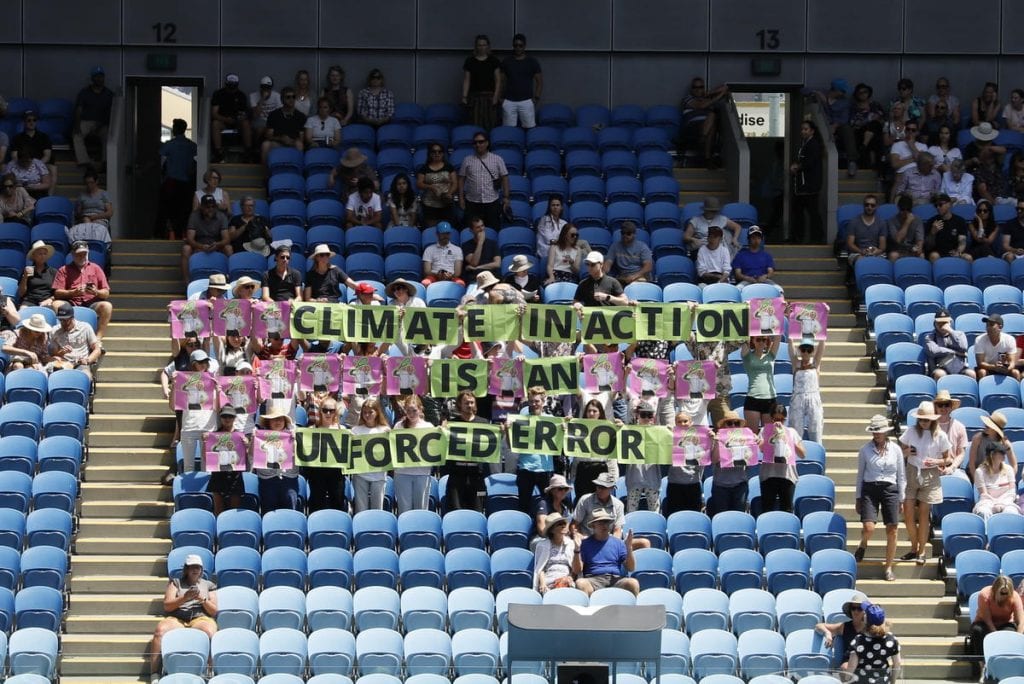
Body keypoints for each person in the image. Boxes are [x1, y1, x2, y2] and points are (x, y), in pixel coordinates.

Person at [148, 553, 218, 684]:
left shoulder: (209, 585)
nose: (195, 570)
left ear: (202, 570)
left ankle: (210, 671)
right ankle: (154, 673)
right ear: (186, 569)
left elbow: (214, 611)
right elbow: (167, 606)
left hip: (200, 618)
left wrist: (202, 600)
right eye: (192, 567)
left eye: (197, 567)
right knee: (160, 631)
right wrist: (184, 598)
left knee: (210, 632)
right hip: (177, 617)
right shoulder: (176, 583)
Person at [899, 401, 952, 565]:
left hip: (930, 475)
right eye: (921, 419)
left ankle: (921, 550)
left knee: (923, 515)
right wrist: (907, 452)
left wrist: (936, 461)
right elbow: (900, 451)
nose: (923, 422)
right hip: (912, 471)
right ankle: (914, 547)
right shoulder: (911, 431)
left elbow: (948, 459)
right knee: (907, 512)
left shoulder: (940, 435)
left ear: (932, 420)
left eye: (926, 420)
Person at [853, 415, 905, 582]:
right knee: (869, 527)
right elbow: (860, 474)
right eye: (874, 431)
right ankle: (863, 543)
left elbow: (901, 474)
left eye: (879, 431)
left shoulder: (896, 449)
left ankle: (888, 566)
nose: (876, 434)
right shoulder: (865, 450)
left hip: (890, 488)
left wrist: (902, 498)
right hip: (870, 488)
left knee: (892, 529)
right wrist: (858, 497)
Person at [53, 241, 112, 339]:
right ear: (72, 254)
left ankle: (98, 338)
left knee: (107, 306)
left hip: (91, 302)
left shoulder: (96, 268)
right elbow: (57, 293)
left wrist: (96, 292)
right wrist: (72, 292)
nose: (82, 256)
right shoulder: (64, 270)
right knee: (56, 304)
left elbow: (106, 293)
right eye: (79, 254)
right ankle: (62, 335)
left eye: (84, 254)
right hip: (71, 303)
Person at [442, 391, 490, 512]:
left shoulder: (484, 423)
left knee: (477, 511)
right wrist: (442, 432)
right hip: (456, 476)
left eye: (472, 402)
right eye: (466, 403)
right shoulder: (452, 424)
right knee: (455, 511)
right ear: (459, 405)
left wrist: (502, 433)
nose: (469, 405)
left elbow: (492, 446)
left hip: (477, 477)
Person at [572, 510, 639, 596]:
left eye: (607, 522)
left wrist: (629, 548)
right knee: (580, 583)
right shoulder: (585, 544)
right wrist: (577, 549)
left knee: (633, 583)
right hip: (593, 580)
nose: (605, 525)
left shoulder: (618, 543)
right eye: (601, 523)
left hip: (615, 580)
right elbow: (577, 570)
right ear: (593, 526)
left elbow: (631, 568)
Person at [967, 575, 1024, 671]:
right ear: (995, 590)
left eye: (1007, 593)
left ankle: (1006, 663)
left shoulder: (1014, 596)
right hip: (984, 622)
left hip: (1005, 623)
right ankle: (983, 666)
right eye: (1002, 593)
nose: (1005, 596)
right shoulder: (984, 594)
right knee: (978, 631)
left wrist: (1017, 638)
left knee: (1010, 633)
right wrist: (996, 636)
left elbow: (1021, 621)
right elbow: (987, 620)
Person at [513, 387, 556, 513]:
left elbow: (559, 445)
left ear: (543, 402)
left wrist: (563, 430)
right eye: (531, 401)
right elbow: (512, 446)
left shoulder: (551, 419)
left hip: (545, 469)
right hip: (525, 468)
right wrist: (507, 430)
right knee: (523, 506)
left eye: (537, 401)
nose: (533, 404)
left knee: (549, 505)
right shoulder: (521, 418)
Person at [302, 397, 346, 513]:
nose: (327, 413)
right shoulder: (311, 429)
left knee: (337, 501)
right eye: (325, 410)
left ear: (335, 412)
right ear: (320, 411)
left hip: (336, 473)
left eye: (331, 410)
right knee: (316, 502)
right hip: (317, 472)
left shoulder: (343, 430)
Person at [458, 131, 509, 231]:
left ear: (487, 143)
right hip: (472, 202)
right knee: (471, 231)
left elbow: (505, 178)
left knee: (492, 230)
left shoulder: (497, 159)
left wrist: (506, 197)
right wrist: (461, 198)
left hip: (492, 202)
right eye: (475, 142)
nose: (478, 145)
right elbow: (461, 179)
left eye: (481, 142)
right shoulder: (467, 160)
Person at [255, 409, 300, 513]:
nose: (277, 422)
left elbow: (299, 458)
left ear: (285, 422)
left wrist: (295, 442)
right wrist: (254, 440)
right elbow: (253, 458)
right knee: (268, 511)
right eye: (274, 419)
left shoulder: (292, 436)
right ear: (268, 422)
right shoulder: (260, 438)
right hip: (267, 480)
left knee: (290, 512)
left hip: (289, 479)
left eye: (280, 419)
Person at [159, 119, 197, 239]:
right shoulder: (192, 146)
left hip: (172, 182)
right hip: (187, 183)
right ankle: (185, 234)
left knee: (170, 210)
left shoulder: (169, 145)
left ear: (176, 129)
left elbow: (161, 162)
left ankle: (173, 235)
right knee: (185, 210)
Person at [393, 395, 432, 513]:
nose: (411, 414)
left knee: (421, 509)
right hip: (402, 473)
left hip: (422, 473)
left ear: (420, 409)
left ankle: (420, 531)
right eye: (408, 410)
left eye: (414, 410)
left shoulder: (428, 427)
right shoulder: (399, 426)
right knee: (404, 509)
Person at [847, 603, 902, 684]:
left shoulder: (858, 640)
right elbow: (897, 664)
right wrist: (893, 681)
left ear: (866, 620)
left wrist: (846, 679)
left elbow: (851, 667)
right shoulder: (891, 639)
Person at [710, 410, 752, 515]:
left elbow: (750, 461)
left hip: (740, 485)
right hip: (720, 486)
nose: (733, 425)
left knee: (738, 517)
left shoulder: (746, 439)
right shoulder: (716, 439)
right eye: (729, 423)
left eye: (736, 423)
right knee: (722, 517)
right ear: (723, 425)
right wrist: (717, 442)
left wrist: (753, 444)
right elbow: (714, 460)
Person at [680, 78, 729, 167]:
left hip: (706, 129)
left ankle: (706, 156)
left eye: (701, 87)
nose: (698, 89)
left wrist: (709, 93)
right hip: (692, 127)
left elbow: (725, 87)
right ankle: (705, 148)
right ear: (691, 89)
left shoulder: (707, 98)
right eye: (695, 87)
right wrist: (720, 95)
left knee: (712, 123)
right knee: (712, 116)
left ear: (704, 88)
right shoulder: (687, 99)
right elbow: (701, 106)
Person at [814, 590, 870, 669]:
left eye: (859, 608)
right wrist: (827, 633)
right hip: (849, 664)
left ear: (865, 611)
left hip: (868, 662)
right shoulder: (844, 626)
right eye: (853, 608)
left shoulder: (871, 628)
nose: (856, 611)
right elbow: (818, 626)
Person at [181, 194, 231, 281]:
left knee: (228, 248)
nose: (210, 209)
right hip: (198, 245)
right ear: (201, 207)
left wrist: (217, 244)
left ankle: (229, 280)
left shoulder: (221, 216)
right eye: (207, 207)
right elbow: (190, 238)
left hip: (216, 245)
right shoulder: (194, 216)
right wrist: (200, 246)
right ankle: (187, 282)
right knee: (186, 249)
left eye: (213, 206)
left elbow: (226, 239)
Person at [73, 66, 114, 167]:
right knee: (76, 135)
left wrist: (100, 125)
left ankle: (106, 161)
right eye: (96, 76)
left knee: (108, 135)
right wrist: (77, 126)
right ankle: (84, 161)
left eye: (101, 76)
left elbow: (111, 113)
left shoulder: (109, 94)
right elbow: (78, 110)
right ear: (92, 78)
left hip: (102, 123)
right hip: (86, 121)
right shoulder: (84, 92)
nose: (99, 79)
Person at [208, 406, 246, 516]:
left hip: (235, 476)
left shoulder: (241, 436)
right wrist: (206, 443)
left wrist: (247, 445)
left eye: (230, 416)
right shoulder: (213, 436)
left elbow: (247, 458)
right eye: (224, 416)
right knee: (218, 510)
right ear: (220, 418)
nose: (227, 419)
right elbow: (208, 457)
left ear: (234, 418)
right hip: (218, 475)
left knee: (235, 511)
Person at [500, 34, 543, 129]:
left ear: (525, 46)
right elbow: (501, 81)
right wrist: (501, 99)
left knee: (529, 128)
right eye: (516, 45)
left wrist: (536, 98)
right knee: (509, 130)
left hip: (527, 100)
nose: (518, 48)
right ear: (513, 46)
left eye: (520, 45)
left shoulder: (532, 62)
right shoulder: (506, 61)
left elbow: (539, 82)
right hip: (509, 101)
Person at [50, 302, 102, 379]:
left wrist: (87, 360)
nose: (63, 323)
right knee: (54, 375)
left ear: (72, 317)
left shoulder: (85, 327)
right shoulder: (55, 330)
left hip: (81, 363)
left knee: (86, 376)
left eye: (66, 320)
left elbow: (97, 349)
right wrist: (62, 352)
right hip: (63, 363)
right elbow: (53, 353)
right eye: (61, 320)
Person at [791, 120, 824, 243]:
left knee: (812, 213)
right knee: (800, 212)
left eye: (806, 129)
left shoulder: (813, 144)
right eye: (802, 129)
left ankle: (815, 238)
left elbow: (809, 163)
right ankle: (799, 237)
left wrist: (797, 167)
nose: (803, 131)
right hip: (803, 187)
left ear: (812, 131)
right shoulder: (805, 144)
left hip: (809, 187)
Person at [789, 337, 825, 443]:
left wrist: (822, 336)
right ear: (799, 350)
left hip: (813, 398)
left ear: (812, 351)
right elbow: (790, 348)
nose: (805, 352)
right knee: (796, 429)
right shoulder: (796, 364)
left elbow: (821, 347)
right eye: (803, 349)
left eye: (809, 350)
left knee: (816, 428)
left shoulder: (815, 364)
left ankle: (817, 451)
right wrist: (791, 337)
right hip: (798, 399)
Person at [462, 34, 501, 130]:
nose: (482, 47)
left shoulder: (494, 61)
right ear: (476, 46)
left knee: (490, 123)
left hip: (489, 97)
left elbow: (498, 80)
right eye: (479, 45)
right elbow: (467, 80)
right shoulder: (470, 61)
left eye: (484, 45)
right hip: (474, 97)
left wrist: (496, 96)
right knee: (475, 123)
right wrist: (464, 96)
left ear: (488, 46)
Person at [974, 442, 1022, 519]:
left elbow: (1011, 492)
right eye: (1001, 452)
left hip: (1007, 502)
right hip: (987, 503)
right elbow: (984, 495)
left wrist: (1002, 504)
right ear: (992, 454)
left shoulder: (1009, 469)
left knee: (1010, 511)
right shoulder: (979, 472)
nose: (1004, 455)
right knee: (984, 512)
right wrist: (994, 505)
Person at [210, 74, 251, 163]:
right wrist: (226, 119)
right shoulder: (218, 94)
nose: (232, 89)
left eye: (234, 86)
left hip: (237, 123)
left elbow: (244, 113)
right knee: (215, 123)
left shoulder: (241, 95)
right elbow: (214, 114)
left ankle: (248, 153)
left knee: (246, 123)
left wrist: (239, 118)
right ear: (226, 84)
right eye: (230, 86)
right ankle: (218, 153)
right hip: (223, 122)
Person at [741, 335, 780, 430]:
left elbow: (778, 337)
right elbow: (743, 336)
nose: (761, 342)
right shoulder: (747, 355)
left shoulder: (771, 355)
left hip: (770, 399)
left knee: (768, 435)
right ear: (753, 341)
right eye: (758, 339)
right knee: (752, 435)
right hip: (753, 398)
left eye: (764, 340)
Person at [923, 308, 973, 380]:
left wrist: (950, 331)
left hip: (959, 367)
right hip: (939, 368)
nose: (942, 325)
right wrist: (956, 352)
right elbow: (934, 351)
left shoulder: (959, 334)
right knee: (940, 374)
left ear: (950, 322)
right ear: (935, 323)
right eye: (939, 322)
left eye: (945, 322)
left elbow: (963, 347)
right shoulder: (929, 337)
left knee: (971, 373)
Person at [261, 86, 305, 166]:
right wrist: (281, 138)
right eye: (288, 97)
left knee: (299, 144)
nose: (291, 99)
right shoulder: (274, 115)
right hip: (278, 143)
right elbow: (268, 135)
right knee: (265, 145)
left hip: (293, 143)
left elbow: (301, 138)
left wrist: (291, 141)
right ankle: (267, 175)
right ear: (282, 99)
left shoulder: (301, 116)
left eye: (293, 97)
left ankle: (299, 173)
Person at [417, 143, 457, 227]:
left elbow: (455, 183)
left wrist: (449, 193)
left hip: (446, 203)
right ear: (430, 153)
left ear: (443, 153)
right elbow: (419, 183)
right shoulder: (424, 168)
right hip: (430, 205)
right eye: (434, 151)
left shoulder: (449, 167)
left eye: (440, 151)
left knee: (447, 228)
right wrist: (430, 187)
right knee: (431, 230)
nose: (437, 154)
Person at [967, 411, 1016, 481]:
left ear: (996, 429)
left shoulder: (1005, 443)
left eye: (988, 425)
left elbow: (1014, 465)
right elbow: (971, 464)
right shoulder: (978, 438)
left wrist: (1009, 480)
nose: (985, 426)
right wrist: (977, 481)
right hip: (977, 473)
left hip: (996, 476)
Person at [533, 513, 576, 593]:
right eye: (560, 524)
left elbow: (574, 568)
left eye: (564, 523)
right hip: (549, 581)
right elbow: (540, 568)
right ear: (552, 530)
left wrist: (570, 578)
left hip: (566, 580)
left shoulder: (571, 544)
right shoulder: (542, 545)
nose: (563, 526)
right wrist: (543, 584)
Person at [934, 389, 970, 481]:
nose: (943, 408)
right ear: (936, 407)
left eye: (947, 405)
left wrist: (952, 468)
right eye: (940, 405)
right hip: (931, 466)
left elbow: (961, 453)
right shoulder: (928, 425)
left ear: (951, 407)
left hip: (952, 467)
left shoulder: (959, 426)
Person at [924, 193, 971, 262]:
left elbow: (962, 242)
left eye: (940, 205)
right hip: (938, 253)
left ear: (949, 204)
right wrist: (932, 233)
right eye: (936, 205)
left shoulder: (960, 221)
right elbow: (928, 246)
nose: (938, 208)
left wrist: (958, 252)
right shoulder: (931, 222)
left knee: (968, 258)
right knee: (934, 256)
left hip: (954, 252)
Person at [976, 313, 1021, 380]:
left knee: (1015, 372)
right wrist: (994, 367)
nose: (988, 328)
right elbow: (980, 363)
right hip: (988, 368)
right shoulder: (979, 339)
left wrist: (1007, 368)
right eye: (987, 325)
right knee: (982, 372)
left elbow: (1012, 362)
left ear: (1000, 327)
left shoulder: (1009, 339)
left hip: (1004, 368)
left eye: (991, 325)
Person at [846, 194, 886, 264]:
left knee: (881, 263)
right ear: (863, 206)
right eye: (867, 205)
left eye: (872, 205)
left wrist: (877, 251)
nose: (869, 207)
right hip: (857, 253)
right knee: (862, 261)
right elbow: (850, 244)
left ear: (876, 207)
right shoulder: (854, 222)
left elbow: (882, 247)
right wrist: (861, 251)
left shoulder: (881, 223)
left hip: (876, 253)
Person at [421, 221, 464, 286]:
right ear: (437, 234)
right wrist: (437, 275)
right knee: (425, 282)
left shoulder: (457, 250)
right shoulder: (429, 249)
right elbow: (427, 271)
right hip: (434, 276)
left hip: (451, 277)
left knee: (460, 284)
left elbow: (457, 272)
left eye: (447, 234)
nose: (445, 236)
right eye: (443, 234)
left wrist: (450, 276)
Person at [462, 215, 500, 283]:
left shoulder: (493, 243)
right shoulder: (466, 245)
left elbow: (497, 264)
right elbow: (474, 263)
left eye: (482, 226)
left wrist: (478, 268)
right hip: (475, 277)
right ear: (471, 230)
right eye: (477, 227)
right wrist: (480, 243)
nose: (481, 229)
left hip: (491, 276)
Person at [18, 241, 56, 308]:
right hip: (29, 301)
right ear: (34, 256)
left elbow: (57, 292)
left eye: (44, 254)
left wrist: (50, 299)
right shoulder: (27, 271)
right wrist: (25, 277)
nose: (43, 256)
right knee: (22, 311)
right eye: (40, 254)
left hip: (47, 301)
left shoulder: (53, 271)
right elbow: (21, 293)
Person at [249, 76, 282, 143]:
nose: (266, 90)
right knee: (259, 129)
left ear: (271, 88)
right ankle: (255, 147)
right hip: (259, 119)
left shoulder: (277, 96)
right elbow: (255, 115)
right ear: (261, 87)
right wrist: (262, 99)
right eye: (264, 87)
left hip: (273, 120)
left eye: (268, 88)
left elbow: (280, 113)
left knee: (271, 131)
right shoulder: (253, 96)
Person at [535, 195, 567, 260]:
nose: (555, 207)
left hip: (560, 250)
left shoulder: (564, 223)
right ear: (549, 207)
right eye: (553, 205)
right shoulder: (544, 220)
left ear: (561, 207)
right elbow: (549, 239)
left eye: (557, 205)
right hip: (546, 252)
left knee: (583, 244)